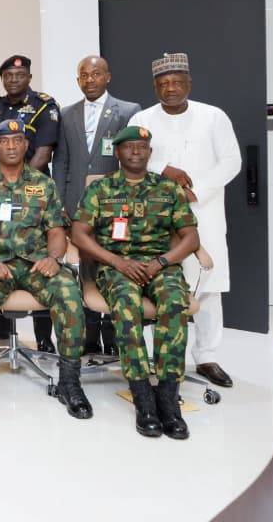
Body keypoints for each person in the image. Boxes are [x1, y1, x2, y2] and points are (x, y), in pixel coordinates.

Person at [71, 125, 199, 439]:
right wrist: (117, 262)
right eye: (129, 147)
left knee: (175, 303)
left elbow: (190, 237)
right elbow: (79, 234)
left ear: (150, 152)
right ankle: (143, 397)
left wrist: (161, 262)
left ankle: (168, 398)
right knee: (127, 305)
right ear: (118, 152)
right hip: (115, 266)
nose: (136, 152)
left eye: (142, 147)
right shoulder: (101, 188)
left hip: (160, 265)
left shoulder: (168, 189)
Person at [0, 119, 92, 419]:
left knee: (68, 291)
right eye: (4, 141)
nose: (11, 146)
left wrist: (54, 258)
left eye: (17, 140)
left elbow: (56, 231)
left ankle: (70, 382)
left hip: (36, 263)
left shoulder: (43, 184)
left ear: (26, 145)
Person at [129, 52, 240, 388]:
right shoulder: (142, 118)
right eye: (163, 84)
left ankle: (206, 356)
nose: (171, 88)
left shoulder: (213, 117)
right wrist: (163, 169)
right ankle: (156, 355)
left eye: (177, 82)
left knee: (208, 286)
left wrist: (197, 191)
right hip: (156, 215)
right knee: (158, 282)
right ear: (155, 87)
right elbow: (130, 155)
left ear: (189, 83)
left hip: (204, 211)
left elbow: (232, 161)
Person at [52, 56, 141, 355]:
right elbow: (61, 162)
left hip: (114, 206)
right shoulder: (67, 113)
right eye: (84, 75)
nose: (90, 80)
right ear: (78, 80)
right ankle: (89, 336)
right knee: (84, 269)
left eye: (96, 74)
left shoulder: (128, 111)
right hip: (76, 203)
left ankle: (112, 336)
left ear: (108, 77)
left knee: (113, 265)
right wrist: (62, 203)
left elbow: (131, 160)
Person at [0, 55, 61, 352]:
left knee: (38, 257)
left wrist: (19, 181)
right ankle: (3, 333)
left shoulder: (44, 105)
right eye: (8, 75)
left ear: (29, 77)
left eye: (20, 74)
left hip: (33, 189)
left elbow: (43, 152)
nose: (14, 79)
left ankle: (43, 338)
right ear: (2, 79)